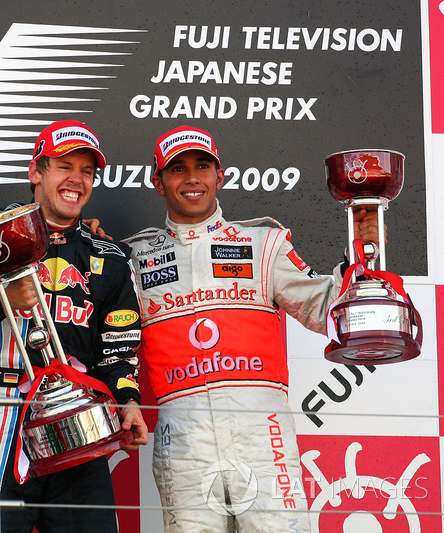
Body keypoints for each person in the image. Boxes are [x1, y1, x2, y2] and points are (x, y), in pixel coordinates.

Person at [124, 125, 381, 532]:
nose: (192, 178)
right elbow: (108, 326)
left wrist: (363, 257)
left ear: (219, 176)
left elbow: (324, 308)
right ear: (158, 182)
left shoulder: (262, 243)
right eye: (177, 169)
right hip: (184, 438)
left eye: (202, 166)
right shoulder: (134, 256)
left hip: (264, 435)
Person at [0, 119, 148, 533]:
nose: (76, 180)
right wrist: (0, 305)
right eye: (65, 166)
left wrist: (129, 401)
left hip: (80, 419)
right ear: (36, 172)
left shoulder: (110, 257)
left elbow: (118, 350)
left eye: (87, 171)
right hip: (1, 418)